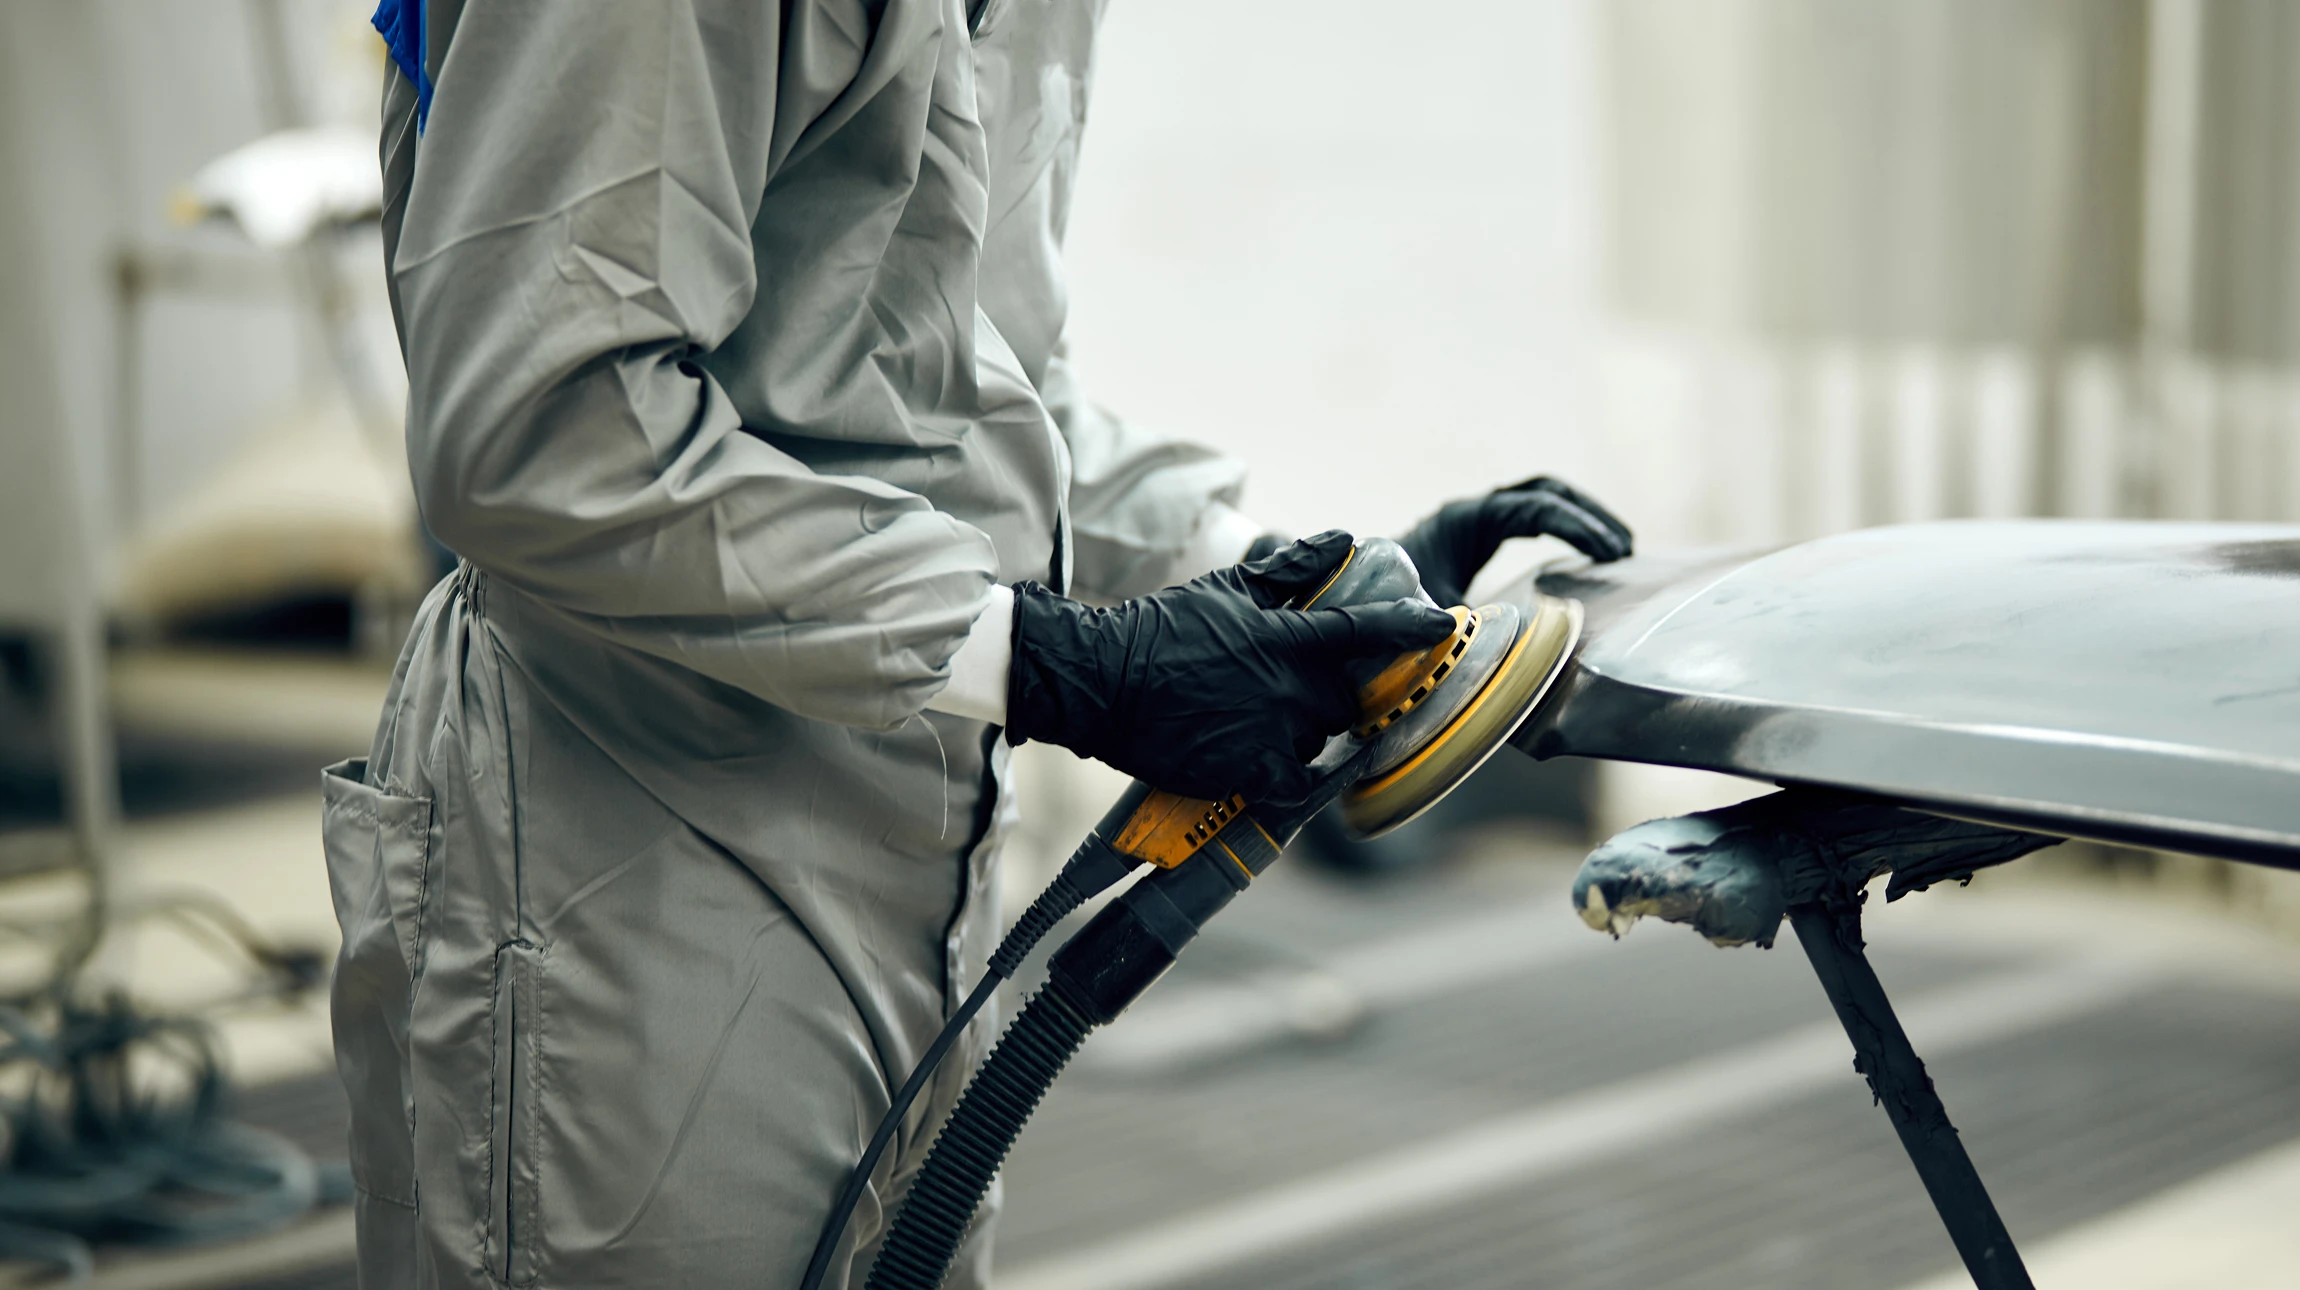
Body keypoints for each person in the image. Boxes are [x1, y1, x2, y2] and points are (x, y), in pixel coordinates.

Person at [320, 2, 1633, 1287]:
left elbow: (966, 392)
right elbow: (543, 427)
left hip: (919, 844)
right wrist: (1051, 661)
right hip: (625, 855)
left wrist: (1284, 582)